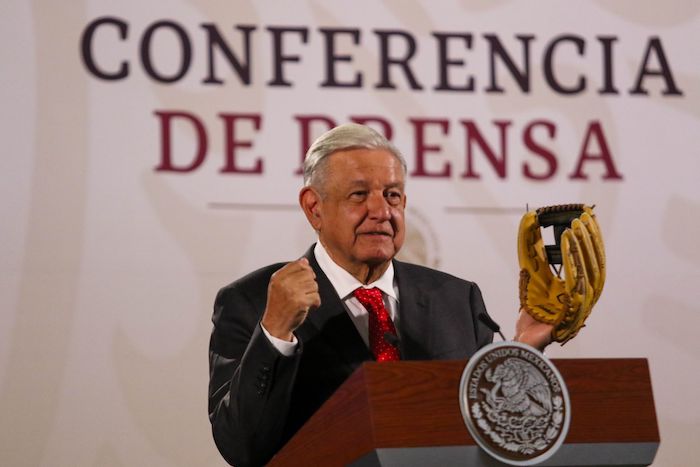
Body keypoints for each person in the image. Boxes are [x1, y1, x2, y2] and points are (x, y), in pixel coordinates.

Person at [208, 123, 553, 467]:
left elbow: (491, 425)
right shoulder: (252, 301)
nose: (382, 211)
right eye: (359, 195)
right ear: (314, 207)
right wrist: (275, 333)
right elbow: (241, 447)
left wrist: (522, 353)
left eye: (392, 195)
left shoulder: (456, 299)